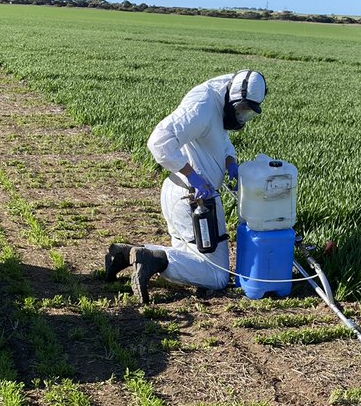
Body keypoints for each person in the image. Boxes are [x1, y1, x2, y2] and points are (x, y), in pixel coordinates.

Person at [105, 68, 267, 303]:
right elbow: (159, 141)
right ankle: (149, 258)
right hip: (195, 200)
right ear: (233, 98)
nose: (242, 116)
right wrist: (193, 176)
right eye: (241, 109)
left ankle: (128, 253)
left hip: (185, 196)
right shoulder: (202, 104)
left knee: (186, 256)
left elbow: (219, 140)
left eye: (247, 112)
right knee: (217, 276)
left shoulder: (220, 102)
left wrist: (231, 163)